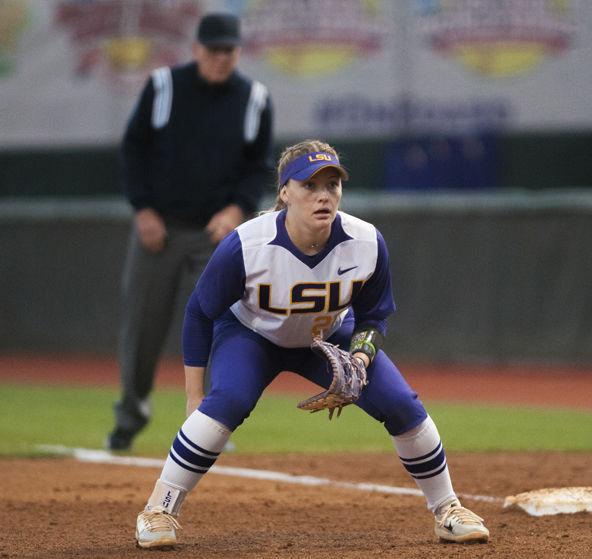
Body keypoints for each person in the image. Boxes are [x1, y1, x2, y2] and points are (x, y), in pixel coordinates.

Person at [132, 139, 490, 548]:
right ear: (285, 192)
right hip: (253, 335)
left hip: (328, 338)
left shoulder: (366, 242)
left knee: (402, 404)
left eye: (332, 184)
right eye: (309, 185)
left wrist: (360, 354)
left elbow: (373, 317)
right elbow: (199, 312)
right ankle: (158, 510)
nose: (324, 195)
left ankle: (447, 509)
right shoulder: (247, 245)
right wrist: (194, 395)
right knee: (226, 401)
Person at [107, 13, 274, 451]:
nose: (222, 58)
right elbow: (133, 148)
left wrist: (237, 209)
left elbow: (258, 166)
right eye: (214, 49)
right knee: (142, 326)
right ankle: (130, 414)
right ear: (196, 49)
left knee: (223, 325)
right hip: (159, 229)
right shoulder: (164, 87)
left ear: (238, 52)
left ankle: (214, 421)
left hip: (217, 235)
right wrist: (143, 210)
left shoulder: (253, 98)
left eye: (229, 50)